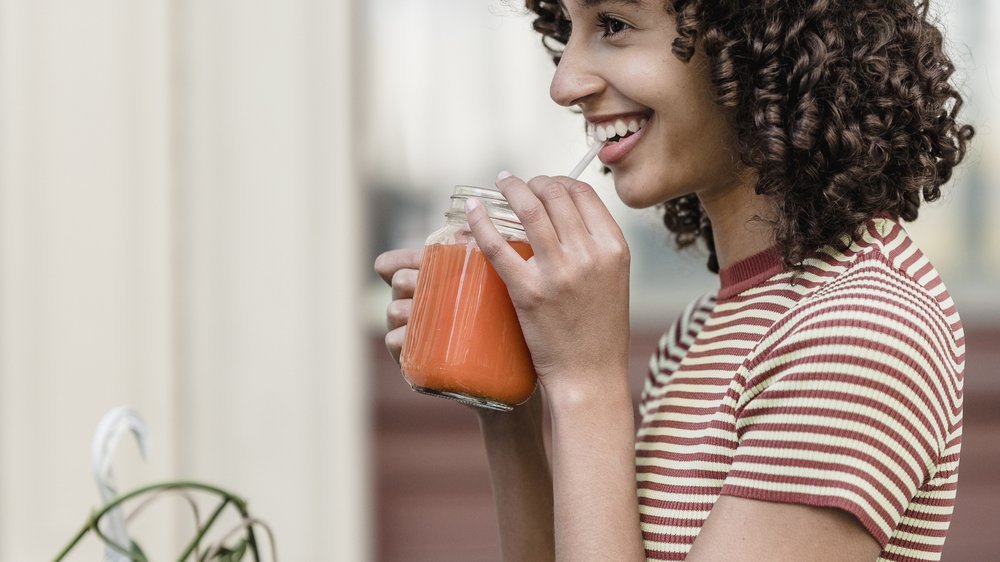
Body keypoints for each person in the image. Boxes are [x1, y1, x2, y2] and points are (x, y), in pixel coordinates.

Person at [374, 0, 974, 560]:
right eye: (568, 27)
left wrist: (587, 381)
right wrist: (508, 402)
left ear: (755, 38)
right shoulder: (701, 330)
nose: (563, 84)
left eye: (613, 24)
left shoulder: (863, 330)